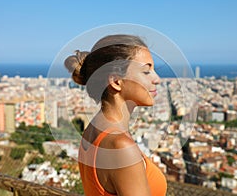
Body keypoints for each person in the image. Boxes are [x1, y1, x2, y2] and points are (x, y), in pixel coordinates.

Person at [64, 34, 167, 196]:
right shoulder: (120, 146)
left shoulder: (92, 130)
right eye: (146, 72)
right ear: (116, 81)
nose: (157, 79)